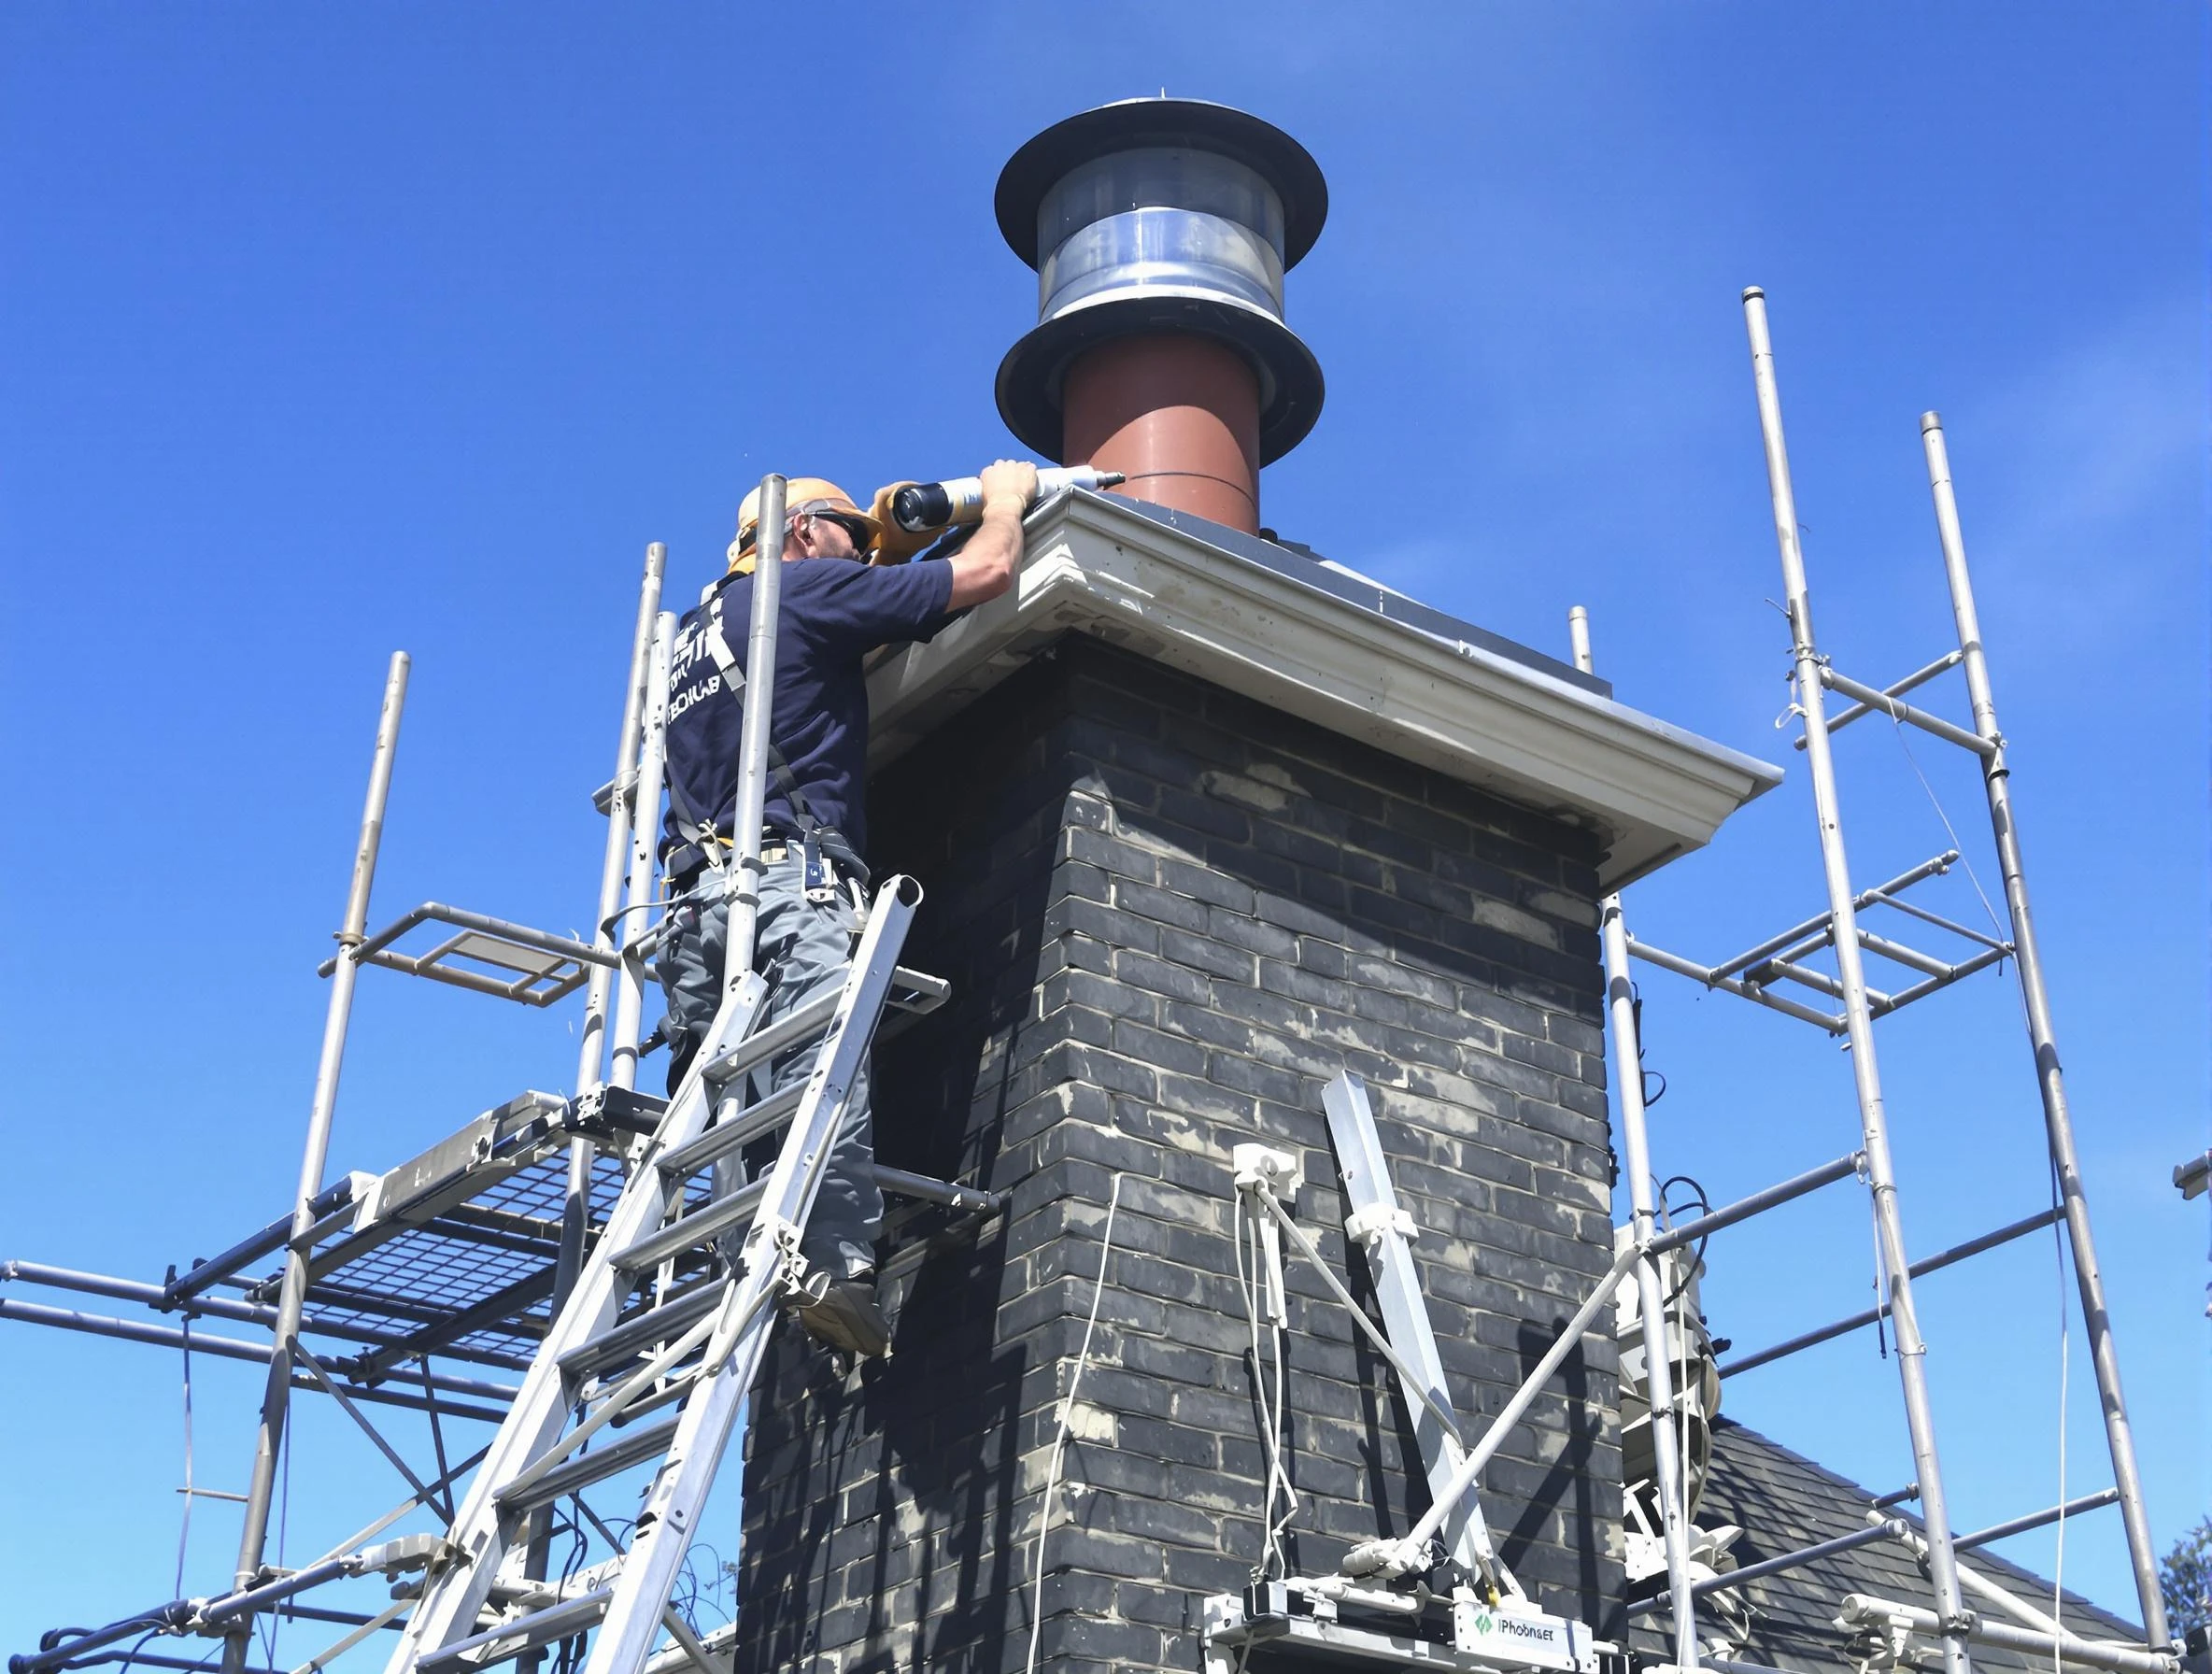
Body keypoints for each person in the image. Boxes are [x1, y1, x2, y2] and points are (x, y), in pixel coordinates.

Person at [654, 460, 1039, 1356]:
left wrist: (872, 547)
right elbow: (986, 572)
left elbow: (822, 636)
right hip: (786, 887)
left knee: (732, 1109)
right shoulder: (804, 591)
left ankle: (737, 1265)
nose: (864, 554)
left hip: (694, 910)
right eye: (849, 535)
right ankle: (828, 1266)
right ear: (799, 533)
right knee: (815, 1067)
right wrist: (1007, 499)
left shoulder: (695, 633)